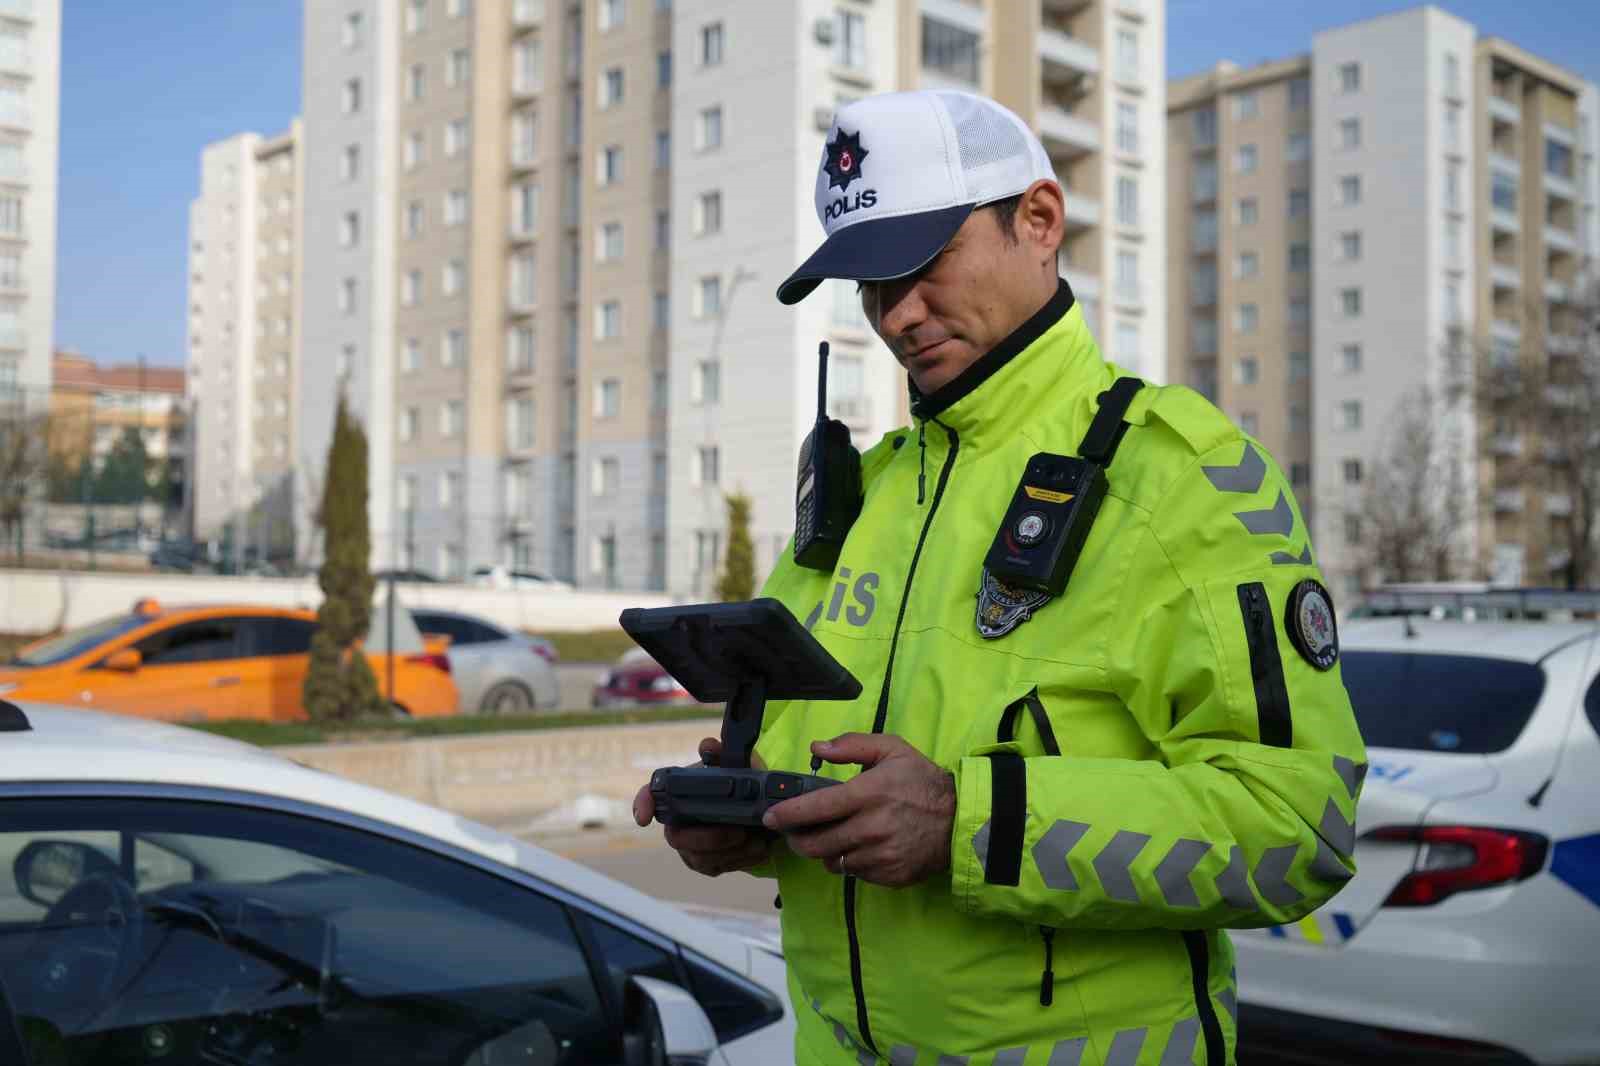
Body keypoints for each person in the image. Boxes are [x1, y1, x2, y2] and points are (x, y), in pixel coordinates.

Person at [634, 90, 1366, 1066]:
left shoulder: (1178, 475)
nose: (895, 313)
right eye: (865, 281)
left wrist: (970, 822)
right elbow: (825, 775)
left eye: (922, 260)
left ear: (1039, 220)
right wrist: (747, 813)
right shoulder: (864, 498)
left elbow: (1297, 824)